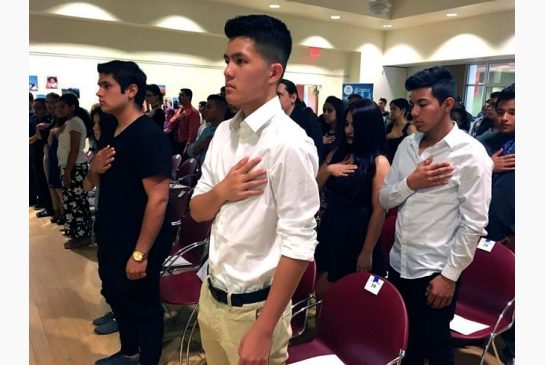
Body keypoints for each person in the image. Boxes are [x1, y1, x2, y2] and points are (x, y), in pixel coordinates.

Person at [189, 14, 320, 365]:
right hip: (212, 294)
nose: (228, 71)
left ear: (273, 72)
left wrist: (264, 329)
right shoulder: (224, 132)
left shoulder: (289, 143)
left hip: (256, 309)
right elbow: (198, 209)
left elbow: (300, 242)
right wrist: (223, 191)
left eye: (240, 61)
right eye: (227, 61)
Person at [379, 66, 493, 365]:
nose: (414, 112)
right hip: (400, 262)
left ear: (447, 105)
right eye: (412, 103)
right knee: (406, 343)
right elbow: (385, 197)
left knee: (437, 345)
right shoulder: (407, 145)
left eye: (422, 104)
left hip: (435, 270)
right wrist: (411, 183)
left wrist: (449, 276)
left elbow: (474, 225)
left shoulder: (470, 155)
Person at [87, 60, 172, 365]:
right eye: (100, 85)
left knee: (144, 307)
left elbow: (159, 199)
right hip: (111, 234)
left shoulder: (148, 135)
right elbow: (89, 185)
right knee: (116, 297)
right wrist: (93, 170)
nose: (99, 92)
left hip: (137, 241)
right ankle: (129, 354)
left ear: (131, 90)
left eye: (106, 85)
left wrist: (140, 254)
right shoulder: (113, 132)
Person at [314, 99, 390, 298]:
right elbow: (314, 187)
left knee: (349, 296)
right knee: (321, 292)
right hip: (331, 229)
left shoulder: (379, 162)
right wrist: (329, 170)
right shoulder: (337, 153)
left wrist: (367, 251)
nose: (349, 130)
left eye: (355, 125)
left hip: (357, 235)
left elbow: (379, 211)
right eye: (346, 124)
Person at [477, 83, 515, 364]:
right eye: (501, 111)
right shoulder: (486, 142)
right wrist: (488, 165)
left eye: (513, 113)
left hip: (513, 237)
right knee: (485, 294)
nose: (504, 118)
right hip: (483, 233)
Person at [277, 78, 323, 163]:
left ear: (293, 98)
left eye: (278, 96)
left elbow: (317, 150)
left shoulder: (307, 118)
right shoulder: (277, 118)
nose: (274, 100)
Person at [385, 97, 416, 163]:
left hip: (402, 163)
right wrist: (388, 136)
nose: (391, 111)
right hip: (388, 161)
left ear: (403, 110)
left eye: (394, 109)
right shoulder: (390, 126)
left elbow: (414, 150)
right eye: (391, 109)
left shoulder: (410, 128)